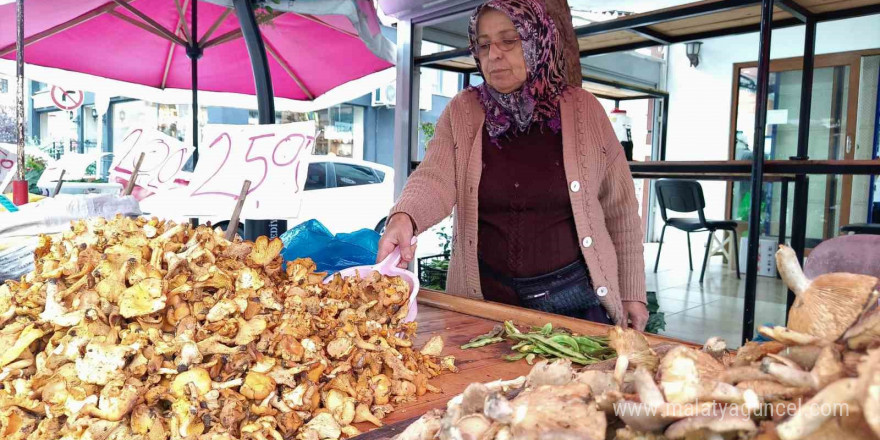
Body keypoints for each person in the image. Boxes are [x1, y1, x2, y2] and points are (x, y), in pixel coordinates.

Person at [377, 0, 648, 330]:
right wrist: (406, 216)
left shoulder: (584, 110)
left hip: (574, 300)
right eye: (485, 43)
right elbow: (435, 175)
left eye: (509, 40)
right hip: (486, 302)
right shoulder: (463, 111)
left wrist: (633, 292)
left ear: (537, 40)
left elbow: (620, 208)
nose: (494, 54)